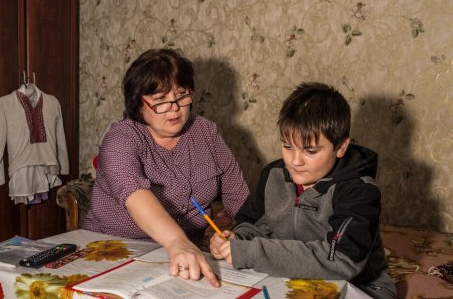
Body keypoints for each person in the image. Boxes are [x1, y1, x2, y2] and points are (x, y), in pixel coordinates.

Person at [210, 82, 396, 298]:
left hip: (360, 287)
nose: (295, 161)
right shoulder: (274, 175)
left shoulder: (359, 191)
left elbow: (342, 260)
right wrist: (236, 240)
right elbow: (253, 225)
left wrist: (253, 253)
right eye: (287, 146)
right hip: (291, 280)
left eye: (310, 150)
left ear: (341, 147)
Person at [82, 48, 249, 287]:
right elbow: (134, 192)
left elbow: (238, 196)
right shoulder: (120, 138)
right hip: (113, 251)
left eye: (182, 96)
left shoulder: (206, 132)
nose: (174, 107)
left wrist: (245, 237)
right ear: (137, 104)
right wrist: (177, 242)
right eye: (160, 100)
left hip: (185, 256)